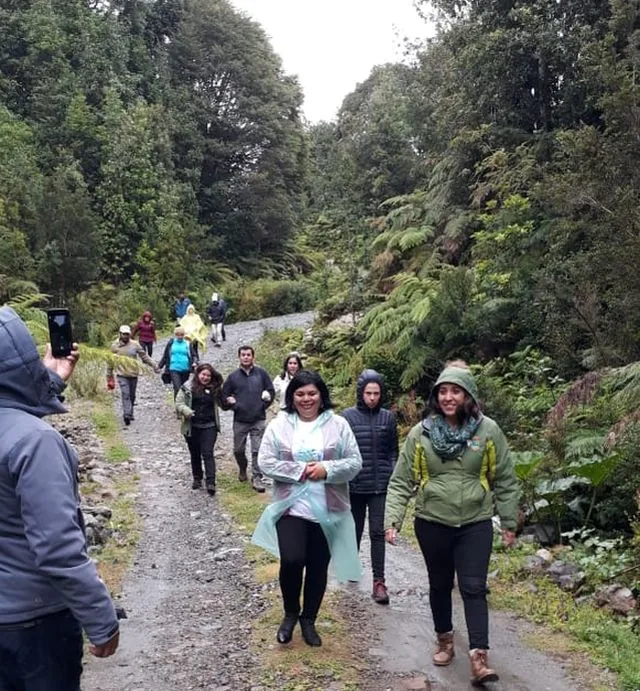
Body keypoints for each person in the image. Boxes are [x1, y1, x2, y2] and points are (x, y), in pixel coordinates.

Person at [0, 306, 119, 690]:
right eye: (31, 356)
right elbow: (57, 548)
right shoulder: (35, 443)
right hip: (33, 628)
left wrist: (49, 380)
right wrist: (101, 620)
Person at [384, 362, 519, 685]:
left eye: (455, 391)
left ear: (467, 395)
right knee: (440, 583)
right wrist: (393, 519)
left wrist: (510, 520)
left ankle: (479, 656)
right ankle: (445, 640)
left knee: (474, 587)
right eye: (443, 391)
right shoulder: (421, 433)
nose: (448, 397)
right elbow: (402, 479)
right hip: (432, 520)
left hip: (475, 521)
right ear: (436, 397)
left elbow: (505, 477)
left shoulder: (488, 431)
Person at [252, 370, 362, 648]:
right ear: (292, 397)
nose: (306, 399)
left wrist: (327, 469)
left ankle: (309, 619)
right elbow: (265, 461)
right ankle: (290, 613)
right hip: (291, 506)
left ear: (321, 395)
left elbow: (354, 461)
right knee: (291, 559)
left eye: (312, 393)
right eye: (300, 394)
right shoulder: (279, 425)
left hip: (329, 508)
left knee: (317, 566)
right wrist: (300, 470)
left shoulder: (338, 425)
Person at [342, 369, 398, 605]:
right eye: (368, 393)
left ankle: (379, 582)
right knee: (353, 531)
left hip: (380, 486)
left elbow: (393, 450)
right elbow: (340, 450)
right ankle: (351, 566)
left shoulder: (388, 418)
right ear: (360, 393)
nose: (373, 397)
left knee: (377, 533)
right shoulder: (347, 417)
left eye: (376, 393)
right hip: (354, 486)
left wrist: (393, 473)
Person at [221, 345, 275, 492]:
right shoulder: (233, 377)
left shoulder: (261, 374)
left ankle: (257, 477)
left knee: (257, 450)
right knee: (238, 450)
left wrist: (264, 405)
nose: (246, 357)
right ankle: (243, 468)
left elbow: (271, 391)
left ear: (253, 357)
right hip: (240, 420)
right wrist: (232, 404)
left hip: (258, 418)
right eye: (243, 355)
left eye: (248, 355)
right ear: (239, 357)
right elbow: (224, 396)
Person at [175, 363, 224, 495]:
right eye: (203, 374)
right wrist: (186, 411)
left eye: (208, 375)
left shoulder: (215, 388)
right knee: (194, 453)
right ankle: (197, 478)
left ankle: (211, 482)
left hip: (210, 426)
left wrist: (231, 401)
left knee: (207, 453)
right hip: (192, 426)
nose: (205, 377)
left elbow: (223, 403)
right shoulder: (187, 387)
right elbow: (178, 403)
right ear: (198, 374)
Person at [107, 325, 159, 425]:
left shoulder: (135, 344)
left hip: (133, 374)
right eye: (124, 334)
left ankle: (130, 413)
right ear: (120, 334)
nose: (125, 336)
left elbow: (144, 356)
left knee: (132, 395)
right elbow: (110, 361)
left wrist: (154, 365)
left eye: (127, 334)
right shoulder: (114, 346)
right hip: (121, 374)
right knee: (125, 394)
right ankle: (126, 414)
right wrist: (109, 376)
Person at [157, 326, 199, 398]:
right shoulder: (171, 343)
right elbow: (165, 356)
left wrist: (195, 362)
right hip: (174, 368)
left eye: (181, 335)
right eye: (178, 335)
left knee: (184, 388)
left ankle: (183, 404)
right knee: (177, 387)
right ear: (175, 335)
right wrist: (159, 366)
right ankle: (177, 406)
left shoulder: (187, 344)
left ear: (184, 335)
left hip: (185, 369)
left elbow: (194, 355)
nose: (180, 336)